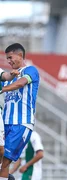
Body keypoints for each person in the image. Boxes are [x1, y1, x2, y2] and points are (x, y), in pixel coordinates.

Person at [0, 43, 40, 180]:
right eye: (7, 59)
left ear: (20, 55)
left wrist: (2, 89)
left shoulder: (31, 70)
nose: (9, 61)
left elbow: (20, 83)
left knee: (5, 162)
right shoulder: (8, 77)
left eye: (10, 57)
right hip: (4, 124)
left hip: (21, 123)